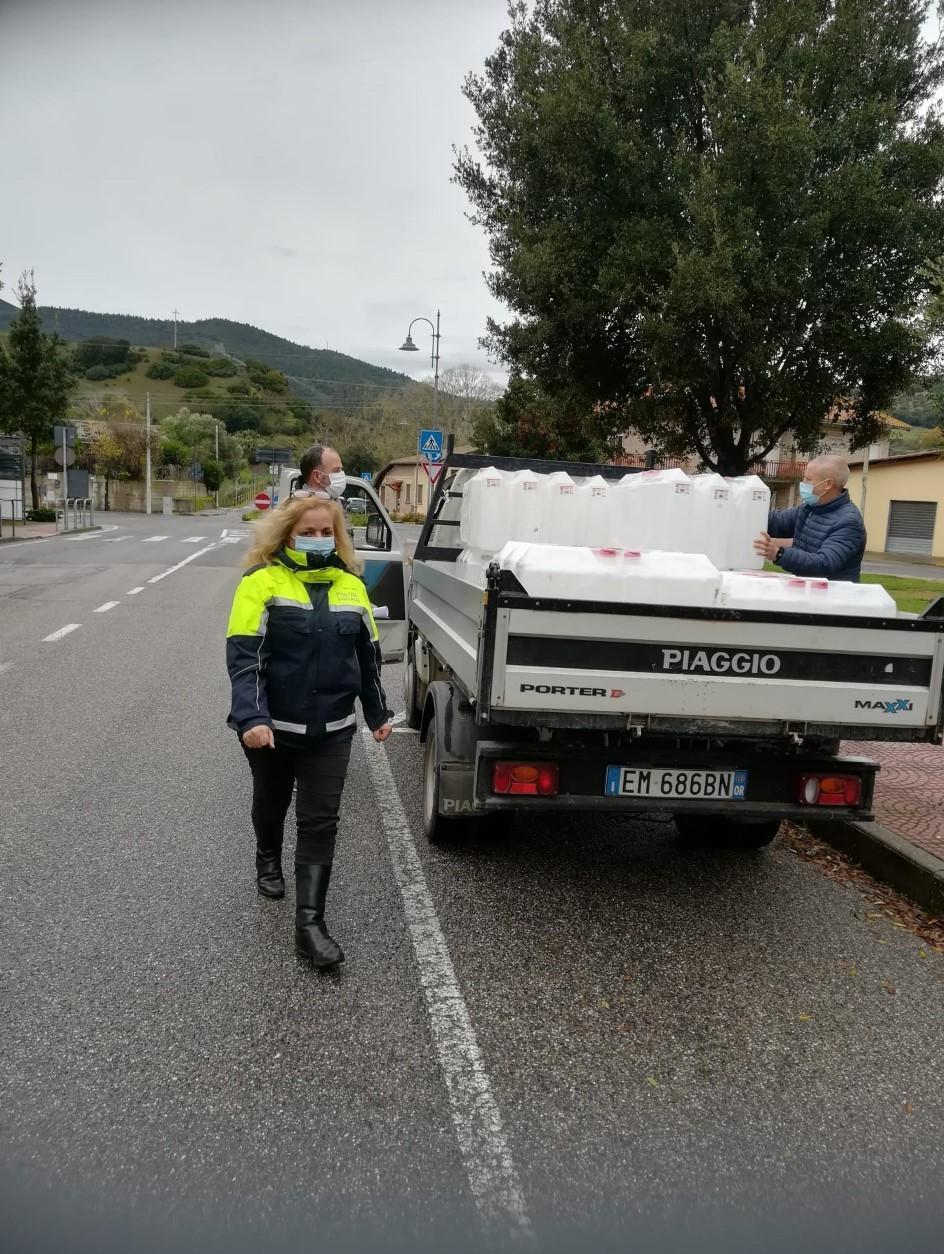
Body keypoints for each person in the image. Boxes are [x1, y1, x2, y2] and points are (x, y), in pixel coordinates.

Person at [226, 494, 393, 970]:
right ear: (286, 533)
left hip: (333, 729)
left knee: (320, 820)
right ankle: (267, 857)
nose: (319, 540)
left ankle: (309, 925)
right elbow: (244, 659)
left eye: (327, 533)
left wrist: (378, 713)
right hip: (273, 729)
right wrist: (252, 718)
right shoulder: (260, 582)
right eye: (310, 531)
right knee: (272, 803)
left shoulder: (351, 585)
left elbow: (367, 659)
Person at [753, 454, 866, 582]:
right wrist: (744, 511)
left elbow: (825, 563)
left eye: (808, 479)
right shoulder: (810, 508)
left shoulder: (848, 522)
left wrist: (778, 554)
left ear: (828, 484)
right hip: (811, 589)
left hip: (835, 595)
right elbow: (777, 521)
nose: (802, 483)